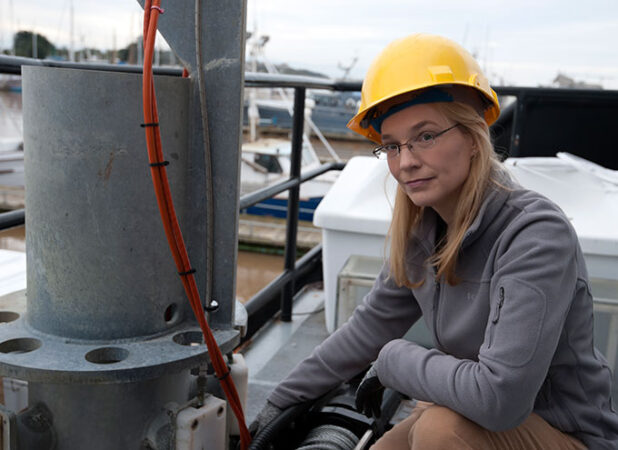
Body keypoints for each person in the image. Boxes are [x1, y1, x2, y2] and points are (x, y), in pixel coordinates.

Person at [252, 33, 618, 449]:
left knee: (439, 430)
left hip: (565, 435)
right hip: (470, 414)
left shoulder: (535, 234)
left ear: (473, 135)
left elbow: (500, 400)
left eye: (425, 136)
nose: (406, 161)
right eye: (392, 145)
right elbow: (365, 330)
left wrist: (394, 361)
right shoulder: (423, 232)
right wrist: (278, 402)